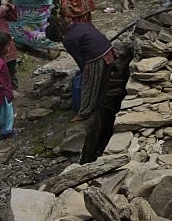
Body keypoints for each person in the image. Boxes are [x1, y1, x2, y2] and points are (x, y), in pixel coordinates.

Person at [46, 17, 118, 163]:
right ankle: (99, 103)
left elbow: (80, 59)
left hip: (95, 58)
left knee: (88, 86)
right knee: (102, 83)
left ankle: (85, 111)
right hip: (107, 50)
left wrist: (84, 73)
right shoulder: (80, 25)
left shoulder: (68, 40)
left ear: (58, 36)